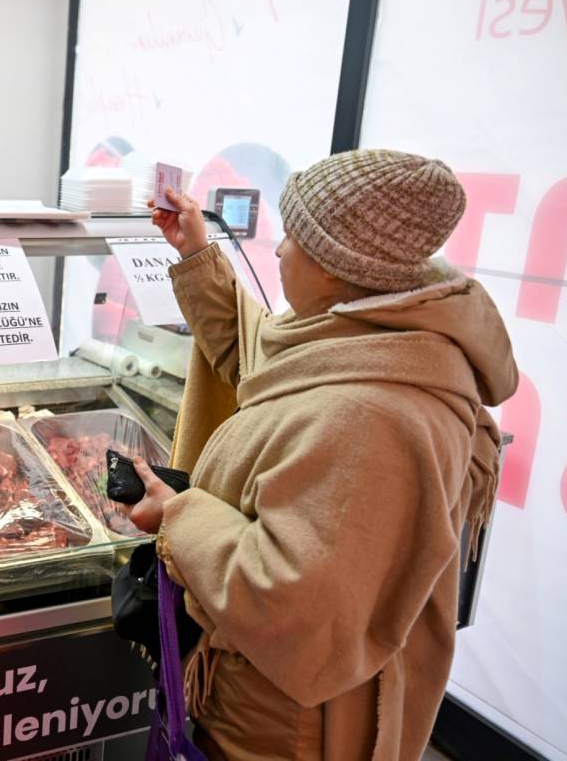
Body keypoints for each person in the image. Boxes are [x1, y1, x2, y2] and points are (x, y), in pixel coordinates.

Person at [128, 149, 517, 759]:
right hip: (273, 698)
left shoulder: (371, 419)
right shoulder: (369, 336)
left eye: (293, 239)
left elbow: (288, 601)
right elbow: (261, 362)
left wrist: (178, 515)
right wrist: (198, 255)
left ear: (338, 268)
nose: (278, 251)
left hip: (288, 725)